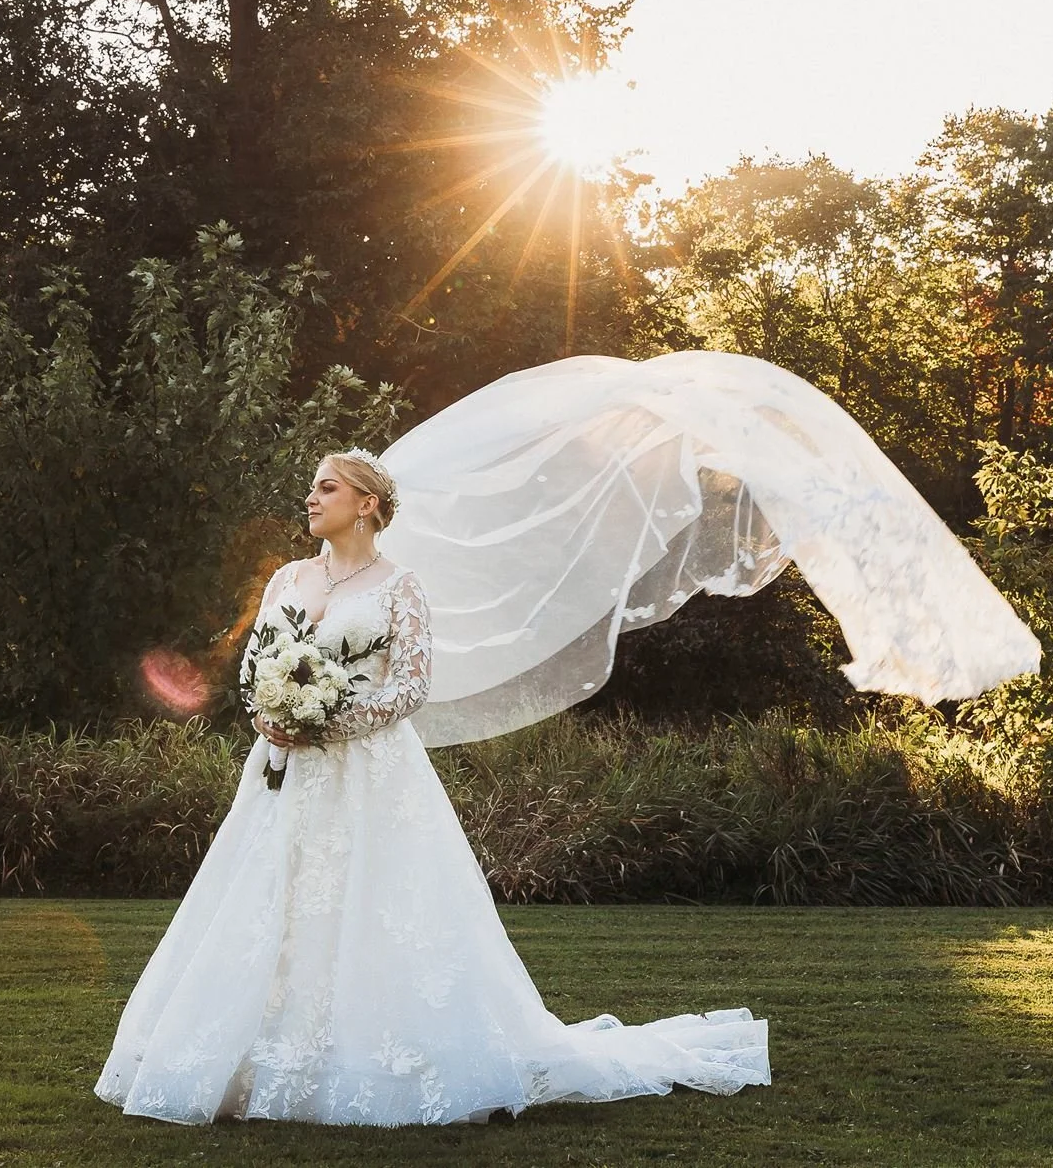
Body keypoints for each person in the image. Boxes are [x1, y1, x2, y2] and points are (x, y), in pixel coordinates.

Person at [94, 449, 770, 1127]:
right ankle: (260, 1057)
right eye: (311, 487)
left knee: (373, 906)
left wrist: (332, 720)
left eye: (326, 487)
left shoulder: (399, 585)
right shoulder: (287, 578)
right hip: (283, 771)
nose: (311, 497)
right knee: (274, 902)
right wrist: (271, 714)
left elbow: (411, 686)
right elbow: (253, 668)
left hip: (367, 773)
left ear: (366, 503)